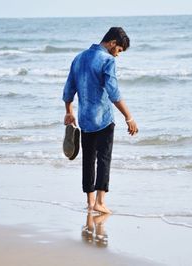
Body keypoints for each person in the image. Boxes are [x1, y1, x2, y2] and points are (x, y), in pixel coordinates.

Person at [62, 27, 138, 214]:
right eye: (119, 50)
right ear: (112, 43)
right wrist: (129, 117)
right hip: (103, 118)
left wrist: (69, 111)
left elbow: (68, 89)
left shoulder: (78, 58)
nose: (118, 55)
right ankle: (100, 202)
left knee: (88, 160)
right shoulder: (107, 60)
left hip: (85, 119)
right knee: (103, 158)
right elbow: (114, 93)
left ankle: (90, 202)